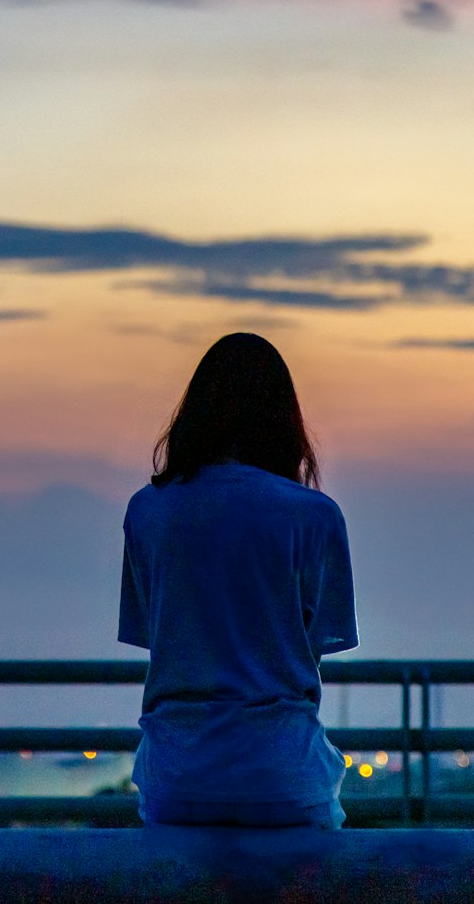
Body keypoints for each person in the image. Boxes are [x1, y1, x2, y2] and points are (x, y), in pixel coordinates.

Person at [118, 332, 358, 829]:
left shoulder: (147, 511)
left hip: (178, 772)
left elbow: (157, 636)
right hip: (282, 774)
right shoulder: (315, 516)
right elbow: (311, 646)